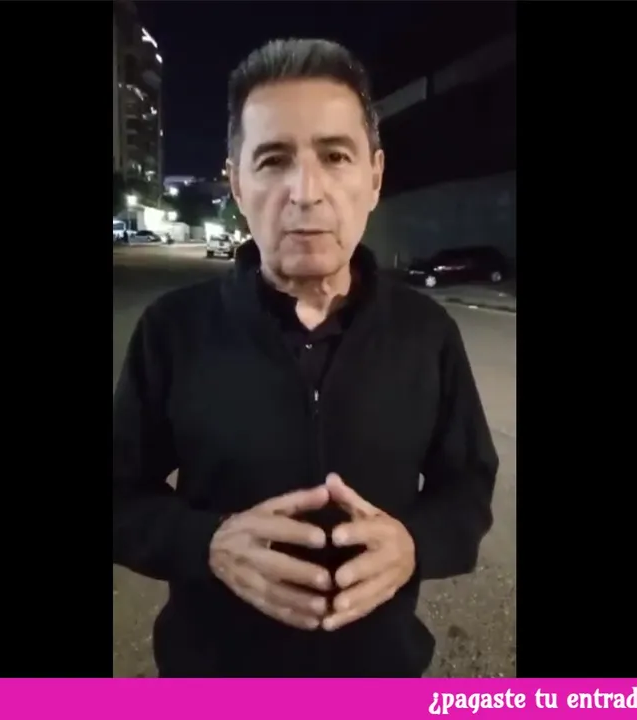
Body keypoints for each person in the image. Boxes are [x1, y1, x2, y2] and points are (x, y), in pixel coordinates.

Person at [112, 38, 499, 678]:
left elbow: (468, 489)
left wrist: (415, 543)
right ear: (237, 183)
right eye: (273, 160)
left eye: (335, 156)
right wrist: (207, 542)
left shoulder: (428, 333)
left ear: (374, 177)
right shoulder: (171, 331)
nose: (305, 191)